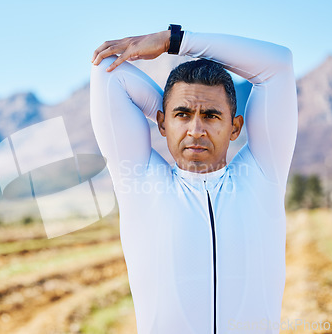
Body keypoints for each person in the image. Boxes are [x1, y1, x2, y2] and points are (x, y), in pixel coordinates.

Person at [89, 25, 297, 334]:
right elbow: (108, 70)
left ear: (235, 127)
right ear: (161, 122)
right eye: (182, 115)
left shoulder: (264, 176)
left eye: (212, 116)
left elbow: (279, 64)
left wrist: (173, 41)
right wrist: (172, 108)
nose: (196, 130)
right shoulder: (141, 183)